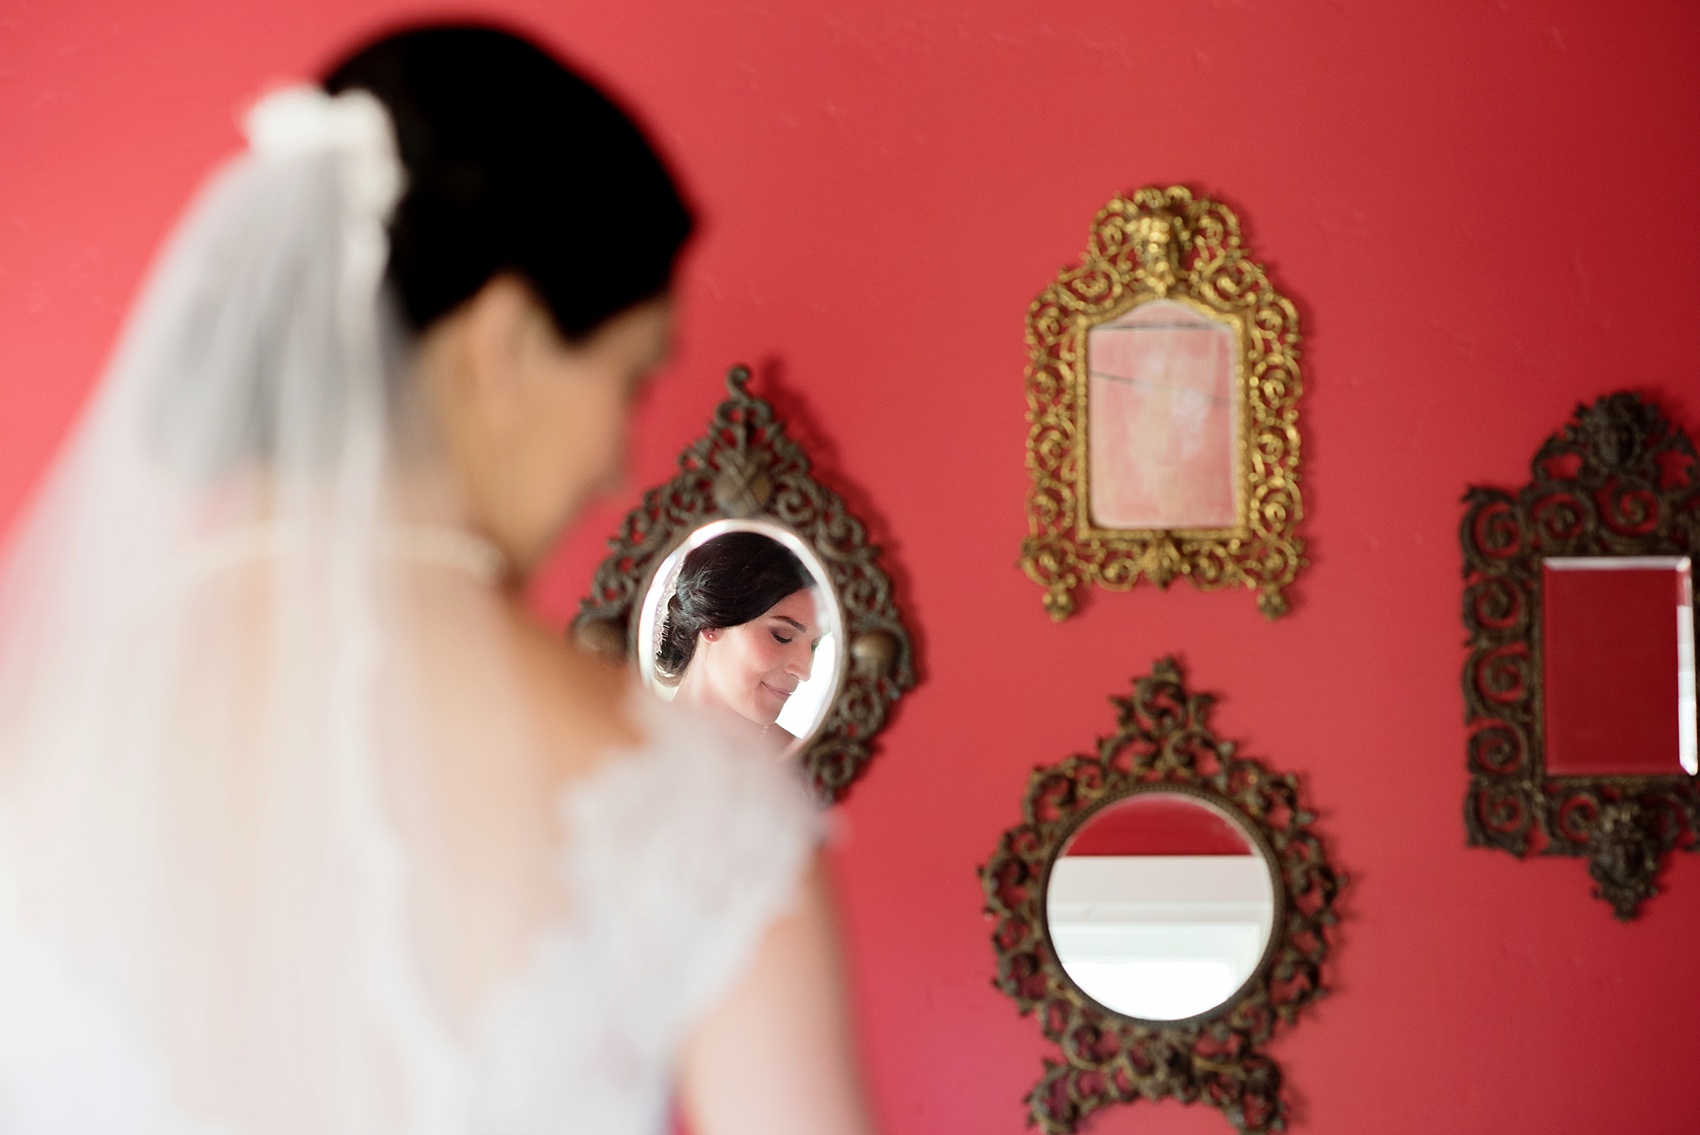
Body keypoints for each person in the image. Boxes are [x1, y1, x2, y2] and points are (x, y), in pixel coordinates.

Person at [0, 23, 873, 1135]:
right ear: (501, 341)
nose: (614, 462)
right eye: (628, 376)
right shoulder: (702, 815)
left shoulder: (28, 745)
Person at [656, 531, 825, 748]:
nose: (804, 671)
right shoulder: (619, 743)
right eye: (781, 636)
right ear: (711, 623)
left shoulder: (807, 769)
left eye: (814, 645)